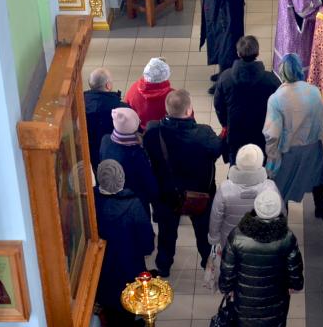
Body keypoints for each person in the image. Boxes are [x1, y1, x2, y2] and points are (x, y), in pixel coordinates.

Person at [143, 89, 222, 276]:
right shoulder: (204, 133)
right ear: (189, 111)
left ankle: (164, 267)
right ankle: (207, 264)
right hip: (200, 195)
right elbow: (217, 150)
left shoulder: (153, 131)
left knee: (167, 233)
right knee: (203, 233)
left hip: (166, 195)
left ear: (167, 110)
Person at [219, 191, 304, 327]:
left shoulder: (237, 235)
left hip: (246, 301)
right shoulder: (287, 236)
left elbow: (227, 268)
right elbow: (294, 269)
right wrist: (296, 285)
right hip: (276, 300)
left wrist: (226, 288)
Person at [94, 160, 152, 327]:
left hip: (103, 265)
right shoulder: (134, 205)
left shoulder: (92, 203)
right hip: (129, 263)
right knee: (129, 296)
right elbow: (146, 240)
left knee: (109, 297)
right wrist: (147, 248)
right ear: (121, 177)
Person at [264, 53, 323, 203]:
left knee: (283, 193)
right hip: (313, 151)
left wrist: (271, 160)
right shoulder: (314, 91)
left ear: (282, 72)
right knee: (313, 187)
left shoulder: (276, 99)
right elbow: (322, 119)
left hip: (289, 154)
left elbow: (272, 135)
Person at [213, 35, 280, 162]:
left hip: (235, 132)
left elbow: (218, 105)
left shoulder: (225, 78)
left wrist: (226, 123)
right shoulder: (271, 80)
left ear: (238, 53)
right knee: (260, 164)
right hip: (261, 132)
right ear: (257, 53)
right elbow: (278, 108)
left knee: (235, 164)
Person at [208, 143, 279, 254]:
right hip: (259, 242)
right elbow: (280, 216)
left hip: (230, 240)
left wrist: (214, 239)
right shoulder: (270, 188)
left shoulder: (225, 189)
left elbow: (216, 217)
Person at [98, 107, 158, 205]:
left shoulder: (105, 140)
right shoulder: (136, 155)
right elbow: (151, 187)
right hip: (133, 200)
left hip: (110, 197)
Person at [84, 68, 128, 172]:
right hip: (115, 156)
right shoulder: (120, 109)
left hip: (88, 155)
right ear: (108, 86)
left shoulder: (80, 105)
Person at [125, 57, 173, 127]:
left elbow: (126, 109)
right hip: (163, 131)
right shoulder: (172, 96)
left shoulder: (134, 89)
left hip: (139, 129)